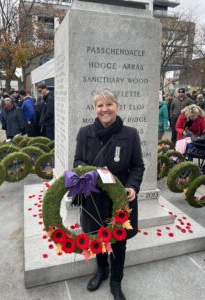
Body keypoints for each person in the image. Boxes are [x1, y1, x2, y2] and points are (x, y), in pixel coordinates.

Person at [73, 89, 145, 300]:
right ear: (95, 109)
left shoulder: (130, 134)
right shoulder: (84, 132)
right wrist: (92, 172)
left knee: (118, 241)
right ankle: (102, 270)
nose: (104, 109)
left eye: (109, 104)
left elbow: (137, 166)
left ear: (117, 106)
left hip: (119, 200)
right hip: (93, 196)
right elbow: (77, 162)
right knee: (97, 236)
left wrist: (133, 186)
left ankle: (116, 281)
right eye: (99, 105)